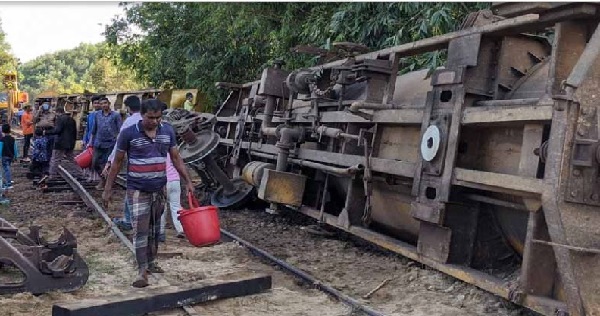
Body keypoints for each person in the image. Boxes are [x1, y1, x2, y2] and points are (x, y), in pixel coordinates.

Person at [103, 99, 194, 288]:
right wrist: (108, 189)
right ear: (141, 115)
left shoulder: (167, 131)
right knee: (140, 230)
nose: (154, 121)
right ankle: (142, 270)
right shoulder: (128, 134)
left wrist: (188, 181)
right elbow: (118, 162)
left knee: (155, 230)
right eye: (150, 118)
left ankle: (152, 261)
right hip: (137, 189)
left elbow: (176, 158)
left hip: (159, 189)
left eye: (158, 118)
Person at [103, 95, 143, 231]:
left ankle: (129, 220)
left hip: (135, 162)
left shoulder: (129, 122)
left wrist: (109, 161)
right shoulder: (149, 120)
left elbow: (119, 145)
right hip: (152, 163)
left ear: (128, 108)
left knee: (131, 190)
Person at [90, 97, 122, 190]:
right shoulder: (97, 115)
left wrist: (119, 142)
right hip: (98, 142)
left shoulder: (116, 115)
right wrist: (90, 142)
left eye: (105, 103)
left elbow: (120, 130)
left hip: (110, 143)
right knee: (94, 163)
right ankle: (105, 179)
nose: (104, 105)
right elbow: (94, 129)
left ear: (109, 103)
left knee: (106, 164)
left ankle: (104, 182)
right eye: (102, 104)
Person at [159, 154, 185, 241]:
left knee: (162, 207)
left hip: (163, 181)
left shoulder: (156, 151)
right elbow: (180, 164)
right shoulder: (172, 151)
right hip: (175, 181)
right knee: (176, 206)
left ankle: (161, 232)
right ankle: (181, 229)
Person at [46, 106, 77, 179]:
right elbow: (75, 132)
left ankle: (52, 174)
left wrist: (46, 132)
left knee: (55, 159)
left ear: (57, 112)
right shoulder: (72, 119)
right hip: (70, 142)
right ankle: (80, 172)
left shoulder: (59, 119)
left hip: (60, 143)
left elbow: (57, 130)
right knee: (71, 159)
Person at [82, 96, 102, 182]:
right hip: (89, 139)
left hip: (99, 140)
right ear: (92, 104)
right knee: (89, 159)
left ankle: (97, 176)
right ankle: (90, 176)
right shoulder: (90, 115)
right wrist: (84, 139)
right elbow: (87, 128)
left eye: (98, 103)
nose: (97, 105)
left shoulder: (102, 114)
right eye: (95, 103)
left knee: (97, 159)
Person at [1, 124, 16, 189]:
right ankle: (8, 180)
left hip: (4, 156)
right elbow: (15, 148)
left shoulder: (2, 139)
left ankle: (8, 183)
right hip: (11, 156)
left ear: (2, 131)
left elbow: (0, 148)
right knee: (8, 168)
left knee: (6, 169)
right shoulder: (12, 139)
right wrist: (15, 156)